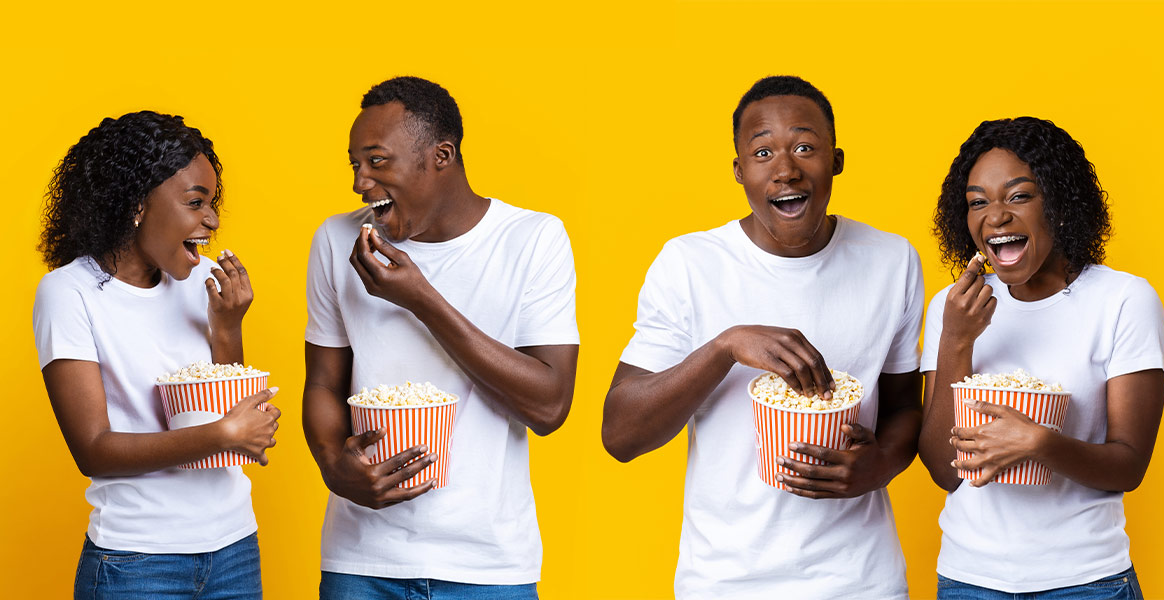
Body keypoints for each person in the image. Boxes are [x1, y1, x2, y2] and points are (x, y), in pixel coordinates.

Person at [601, 76, 923, 598]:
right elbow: (620, 434)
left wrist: (881, 465)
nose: (785, 169)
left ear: (836, 160)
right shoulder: (690, 265)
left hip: (861, 580)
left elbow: (907, 406)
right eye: (763, 151)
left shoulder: (892, 260)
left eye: (804, 147)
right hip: (726, 581)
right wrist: (725, 347)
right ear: (739, 171)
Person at [303, 76, 579, 599]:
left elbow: (549, 406)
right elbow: (322, 383)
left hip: (488, 567)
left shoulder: (533, 240)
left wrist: (422, 300)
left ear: (441, 156)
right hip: (360, 561)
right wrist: (331, 465)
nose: (360, 182)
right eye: (354, 165)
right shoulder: (336, 239)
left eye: (377, 161)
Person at [33, 111, 281, 599]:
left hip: (234, 546)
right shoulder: (69, 293)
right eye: (195, 203)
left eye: (213, 203)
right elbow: (94, 449)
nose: (211, 220)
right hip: (138, 561)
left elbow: (221, 399)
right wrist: (224, 433)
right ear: (136, 205)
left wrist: (227, 326)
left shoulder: (202, 280)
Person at [917, 117, 1164, 598]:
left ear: (1060, 202)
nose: (996, 216)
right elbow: (944, 470)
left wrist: (1040, 443)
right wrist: (956, 342)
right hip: (969, 580)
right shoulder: (954, 306)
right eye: (978, 202)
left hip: (1087, 581)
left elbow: (1129, 467)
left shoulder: (1123, 300)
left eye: (1019, 195)